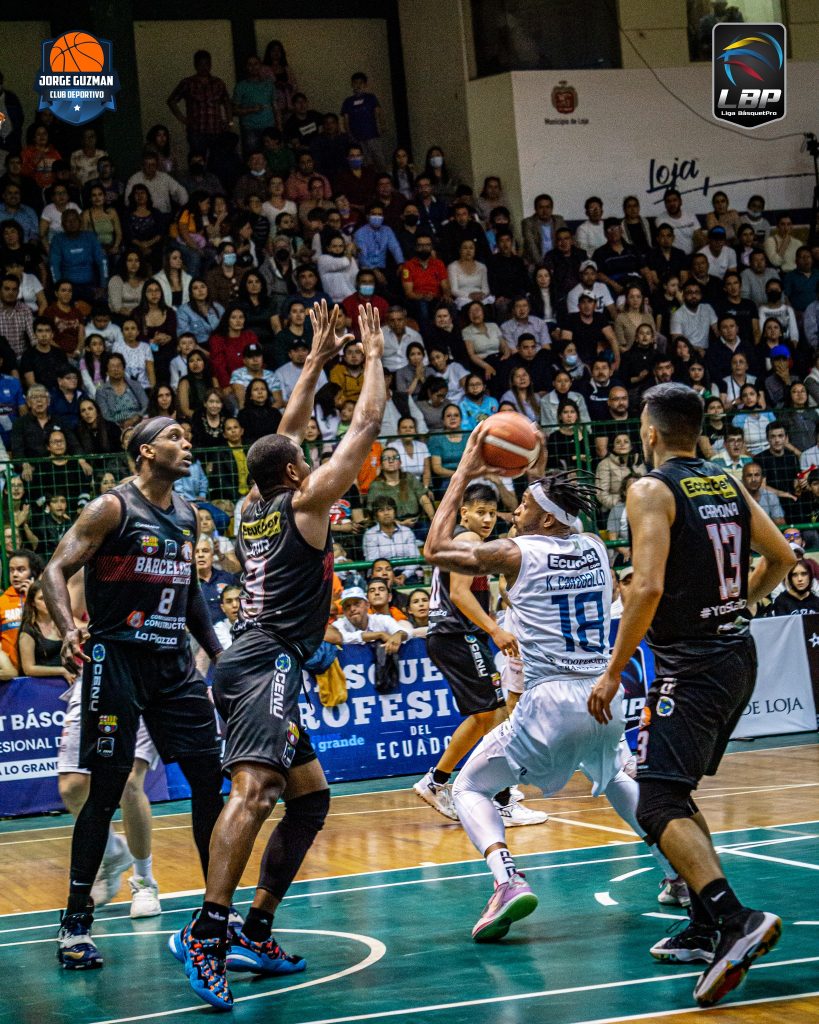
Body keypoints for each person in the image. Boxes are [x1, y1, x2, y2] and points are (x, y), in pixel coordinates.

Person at [170, 302, 388, 1010]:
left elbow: (283, 435)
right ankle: (207, 929)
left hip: (255, 661)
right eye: (305, 459)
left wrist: (318, 361)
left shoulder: (250, 507)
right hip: (264, 664)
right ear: (300, 473)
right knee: (256, 791)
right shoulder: (305, 503)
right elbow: (364, 428)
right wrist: (374, 360)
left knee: (310, 796)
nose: (311, 456)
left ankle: (254, 928)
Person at [587, 381, 794, 1008]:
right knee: (674, 790)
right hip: (738, 653)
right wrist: (735, 606)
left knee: (654, 804)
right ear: (696, 430)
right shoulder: (726, 481)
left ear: (648, 432)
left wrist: (613, 670)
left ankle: (735, 920)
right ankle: (706, 923)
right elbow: (783, 556)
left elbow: (645, 588)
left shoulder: (650, 489)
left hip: (694, 666)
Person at [42, 417, 226, 969]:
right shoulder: (112, 508)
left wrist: (220, 656)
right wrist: (68, 627)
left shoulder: (189, 516)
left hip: (173, 665)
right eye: (175, 436)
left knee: (208, 780)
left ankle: (219, 911)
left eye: (186, 436)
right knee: (103, 790)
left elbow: (191, 595)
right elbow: (56, 568)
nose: (186, 442)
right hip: (116, 660)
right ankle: (76, 921)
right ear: (147, 452)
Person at [414, 482, 547, 829]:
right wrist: (495, 629)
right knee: (491, 714)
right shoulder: (468, 541)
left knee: (490, 715)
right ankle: (471, 791)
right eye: (480, 512)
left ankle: (460, 786)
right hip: (456, 633)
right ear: (464, 514)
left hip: (456, 635)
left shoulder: (475, 543)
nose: (487, 519)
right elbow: (459, 593)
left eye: (491, 513)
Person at [0, 548, 43, 680]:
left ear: (33, 573)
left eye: (21, 569)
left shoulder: (44, 599)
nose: (15, 575)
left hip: (40, 672)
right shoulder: (2, 602)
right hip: (11, 677)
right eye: (12, 570)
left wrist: (31, 597)